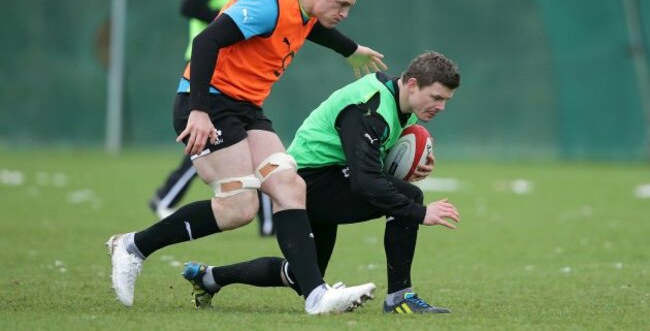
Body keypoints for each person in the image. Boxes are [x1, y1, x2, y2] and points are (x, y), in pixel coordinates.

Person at [107, 0, 387, 314]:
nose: (345, 13)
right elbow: (206, 41)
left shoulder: (304, 5)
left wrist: (350, 49)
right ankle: (132, 247)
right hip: (209, 103)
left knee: (290, 185)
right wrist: (199, 110)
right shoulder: (269, 4)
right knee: (238, 208)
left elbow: (308, 27)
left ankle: (316, 295)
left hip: (245, 108)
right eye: (342, 4)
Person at [180, 52, 461, 314]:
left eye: (446, 100)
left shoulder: (399, 102)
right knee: (409, 198)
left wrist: (415, 162)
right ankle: (400, 298)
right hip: (308, 182)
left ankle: (209, 278)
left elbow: (374, 156)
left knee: (300, 276)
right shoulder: (369, 108)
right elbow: (365, 180)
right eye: (436, 97)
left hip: (326, 178)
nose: (441, 107)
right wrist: (419, 213)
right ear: (412, 84)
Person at [149, 0, 273, 236]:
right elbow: (188, 4)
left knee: (226, 143)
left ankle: (268, 221)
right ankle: (166, 198)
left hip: (230, 67)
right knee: (212, 143)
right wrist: (223, 19)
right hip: (205, 64)